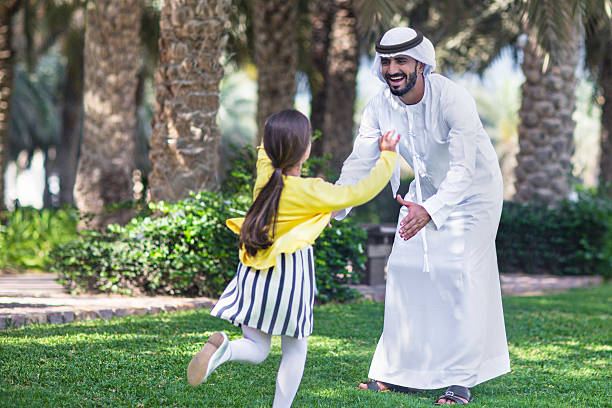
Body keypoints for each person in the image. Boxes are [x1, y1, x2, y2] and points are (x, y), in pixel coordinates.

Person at [334, 27, 510, 405]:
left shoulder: (452, 98)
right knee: (402, 269)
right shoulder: (378, 105)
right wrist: (333, 206)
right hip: (425, 194)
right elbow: (360, 162)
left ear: (421, 64)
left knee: (457, 272)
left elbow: (463, 170)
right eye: (386, 62)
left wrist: (431, 211)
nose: (392, 69)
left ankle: (460, 381)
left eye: (401, 61)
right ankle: (399, 375)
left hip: (475, 194)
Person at [186, 109, 400, 408]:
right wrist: (387, 156)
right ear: (305, 149)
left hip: (253, 271)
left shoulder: (265, 177)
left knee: (257, 347)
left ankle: (226, 349)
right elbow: (360, 191)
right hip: (289, 273)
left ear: (271, 148)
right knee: (295, 349)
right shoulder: (313, 190)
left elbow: (265, 151)